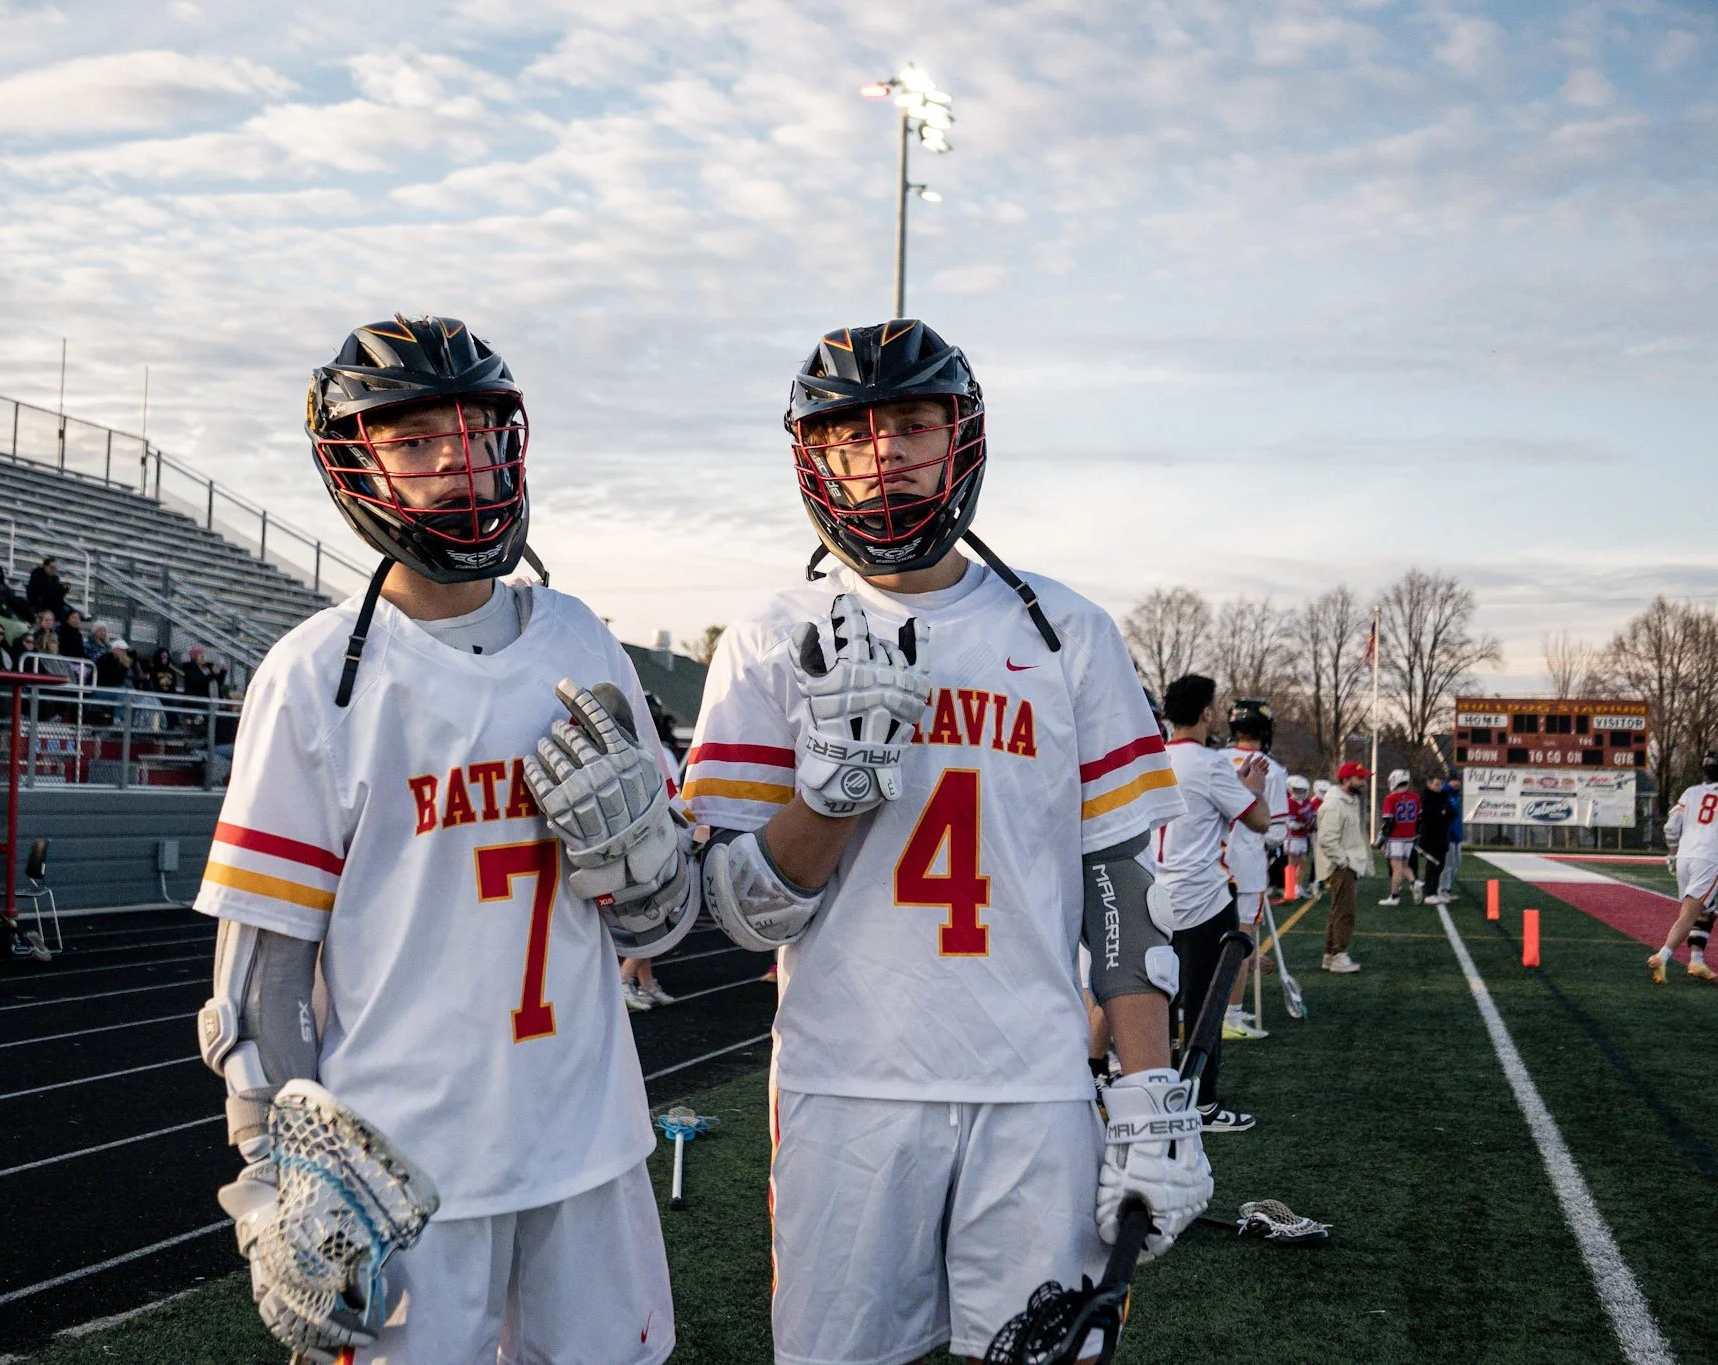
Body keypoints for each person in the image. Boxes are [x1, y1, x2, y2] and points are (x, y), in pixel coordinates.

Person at [685, 320, 1204, 1365]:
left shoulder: (1066, 630)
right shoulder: (767, 637)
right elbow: (739, 914)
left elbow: (1119, 879)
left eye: (911, 424)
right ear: (809, 456)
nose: (882, 456)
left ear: (959, 437)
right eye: (849, 434)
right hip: (846, 1078)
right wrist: (830, 800)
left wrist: (1147, 1091)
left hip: (1035, 1083)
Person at [195, 315, 690, 1364]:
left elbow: (662, 918)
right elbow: (259, 985)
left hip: (589, 1141)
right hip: (401, 1174)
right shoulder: (314, 674)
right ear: (357, 462)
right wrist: (279, 1187)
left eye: (473, 434)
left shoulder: (578, 635)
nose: (454, 464)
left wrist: (643, 851)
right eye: (415, 440)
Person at [1156, 674, 1267, 1129]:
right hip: (1203, 895)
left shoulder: (1151, 756)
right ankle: (1203, 1102)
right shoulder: (1210, 762)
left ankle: (1157, 1094)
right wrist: (1253, 785)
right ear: (1205, 713)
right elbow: (1257, 819)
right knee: (1206, 1003)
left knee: (1159, 998)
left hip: (1155, 893)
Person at [1219, 698, 1288, 1042]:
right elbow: (1275, 830)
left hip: (1209, 866)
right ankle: (1230, 1015)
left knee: (1202, 940)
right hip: (1245, 869)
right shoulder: (1270, 770)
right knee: (1240, 943)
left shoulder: (1214, 761)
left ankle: (1201, 1007)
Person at [1650, 750, 1718, 985]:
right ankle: (1662, 955)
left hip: (1685, 857)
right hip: (1708, 860)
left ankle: (1697, 960)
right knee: (1690, 914)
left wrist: (1673, 854)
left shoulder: (1690, 792)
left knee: (1707, 910)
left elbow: (1671, 828)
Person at [1315, 762, 1371, 972]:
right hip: (1341, 866)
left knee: (1338, 910)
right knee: (1345, 912)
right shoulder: (1334, 804)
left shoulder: (1348, 801)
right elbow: (1327, 838)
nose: (1364, 782)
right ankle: (1339, 955)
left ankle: (1330, 955)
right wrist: (1343, 861)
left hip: (1346, 863)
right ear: (1346, 779)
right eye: (1360, 778)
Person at [1377, 768, 1422, 905]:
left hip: (1396, 838)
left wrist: (1383, 838)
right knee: (1404, 866)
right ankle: (1414, 882)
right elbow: (1420, 818)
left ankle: (1394, 897)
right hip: (1410, 836)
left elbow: (1388, 822)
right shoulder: (1415, 797)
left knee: (1396, 868)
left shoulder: (1390, 798)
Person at [1418, 775, 1455, 904]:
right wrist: (1442, 813)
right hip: (1430, 837)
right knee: (1432, 865)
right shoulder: (1426, 798)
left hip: (1442, 836)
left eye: (1440, 784)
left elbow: (1452, 813)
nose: (1438, 787)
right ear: (1429, 784)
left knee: (1440, 865)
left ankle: (1435, 891)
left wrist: (1443, 813)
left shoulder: (1444, 797)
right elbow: (1430, 816)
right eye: (1436, 784)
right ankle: (1429, 893)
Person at [1283, 773, 1319, 898]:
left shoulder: (1306, 802)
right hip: (1292, 837)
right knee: (1292, 862)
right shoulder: (1290, 802)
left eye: (1302, 789)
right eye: (1297, 789)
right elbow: (1290, 824)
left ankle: (1298, 887)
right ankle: (1289, 889)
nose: (1300, 792)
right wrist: (1304, 825)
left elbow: (1310, 816)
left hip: (1303, 837)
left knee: (1303, 863)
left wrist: (1313, 823)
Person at [1440, 774, 1465, 897]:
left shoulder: (1456, 795)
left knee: (1456, 864)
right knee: (1447, 864)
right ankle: (1444, 888)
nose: (1457, 783)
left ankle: (1447, 887)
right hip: (1447, 834)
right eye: (1454, 780)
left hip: (1457, 835)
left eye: (1458, 780)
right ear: (1449, 781)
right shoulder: (1444, 794)